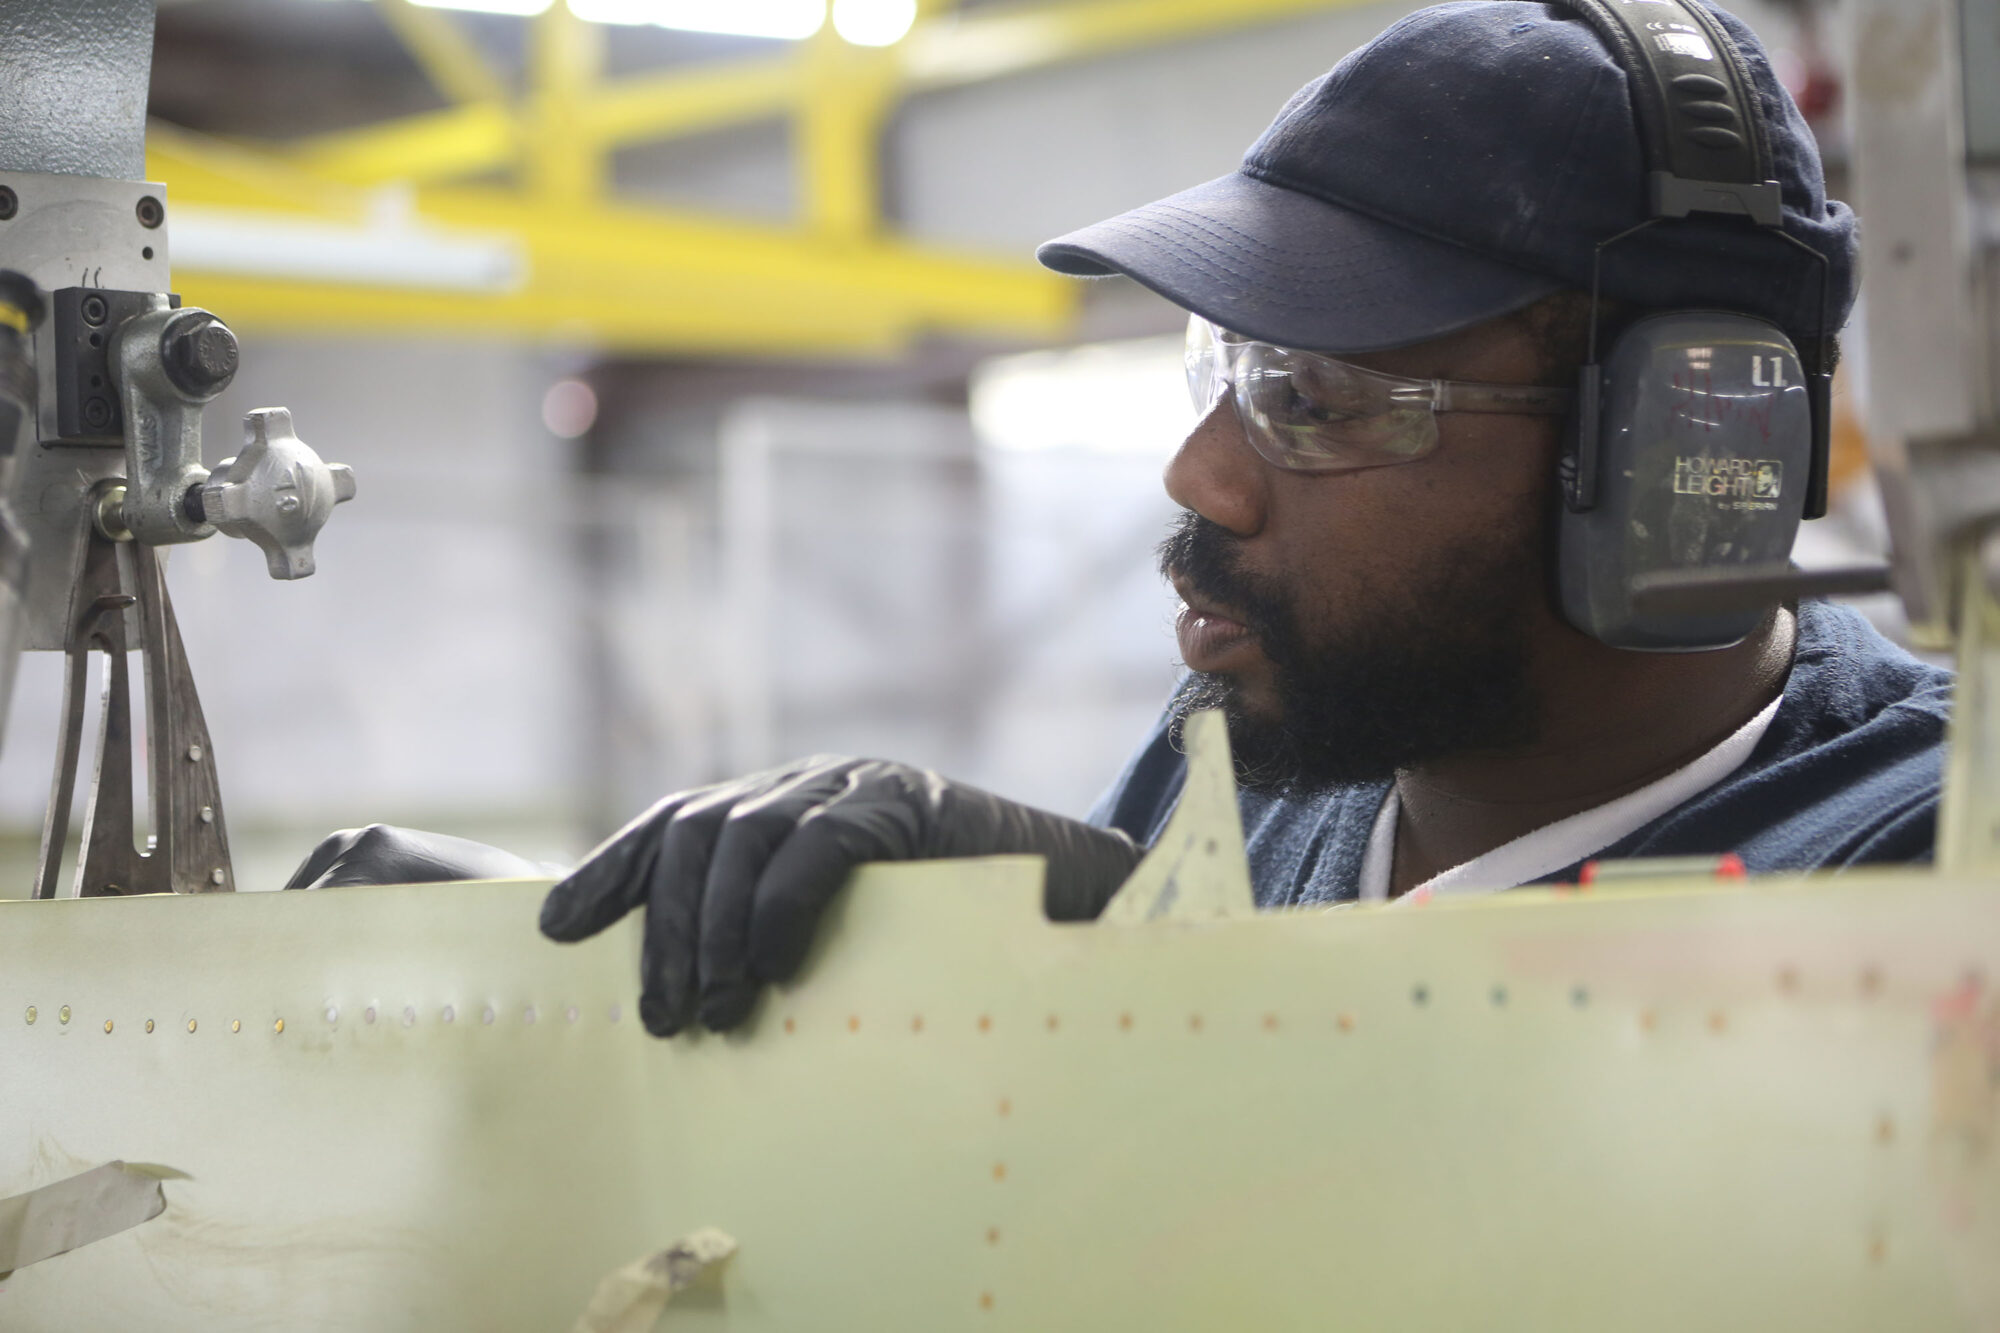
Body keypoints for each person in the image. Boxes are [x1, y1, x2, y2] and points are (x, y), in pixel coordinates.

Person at [293, 1, 1950, 1038]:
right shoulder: (1249, 755)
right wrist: (557, 954)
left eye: (1317, 397)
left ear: (1673, 444)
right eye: (1224, 370)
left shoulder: (1923, 870)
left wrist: (1109, 939)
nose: (1203, 476)